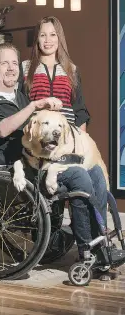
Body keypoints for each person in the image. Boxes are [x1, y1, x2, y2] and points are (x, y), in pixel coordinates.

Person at [0, 42, 124, 263]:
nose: (10, 68)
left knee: (95, 175)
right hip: (14, 169)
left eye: (14, 63)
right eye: (4, 63)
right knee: (79, 176)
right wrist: (34, 106)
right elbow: (2, 129)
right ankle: (87, 249)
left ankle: (100, 241)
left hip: (37, 161)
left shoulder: (19, 97)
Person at [20, 16, 108, 223]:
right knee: (79, 183)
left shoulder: (72, 70)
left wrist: (81, 145)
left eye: (53, 35)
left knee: (99, 180)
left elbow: (80, 111)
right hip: (39, 144)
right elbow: (22, 107)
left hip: (68, 143)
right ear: (37, 39)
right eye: (43, 35)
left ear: (60, 38)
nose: (48, 40)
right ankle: (82, 242)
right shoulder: (25, 69)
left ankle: (100, 237)